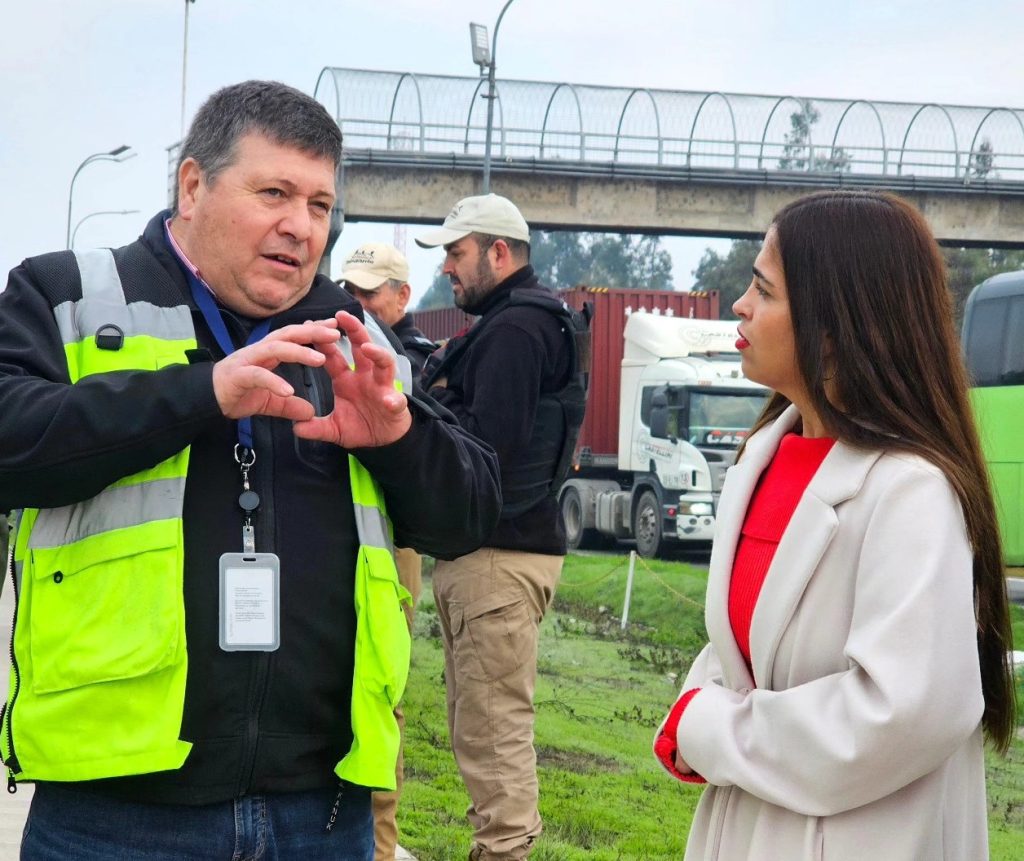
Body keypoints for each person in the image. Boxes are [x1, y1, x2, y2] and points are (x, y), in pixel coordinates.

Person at [0, 80, 501, 861]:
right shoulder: (68, 295)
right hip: (117, 818)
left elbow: (468, 515)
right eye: (274, 193)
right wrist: (203, 393)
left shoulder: (351, 332)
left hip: (322, 816)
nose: (301, 225)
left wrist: (398, 438)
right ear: (192, 186)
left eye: (320, 204)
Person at [653, 190, 1016, 861]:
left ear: (833, 325)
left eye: (764, 290)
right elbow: (744, 653)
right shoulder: (761, 462)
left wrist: (707, 728)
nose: (740, 305)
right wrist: (698, 705)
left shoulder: (911, 492)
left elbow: (902, 713)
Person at [416, 194, 588, 861]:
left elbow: (486, 448)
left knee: (492, 731)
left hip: (498, 555)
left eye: (456, 254)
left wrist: (428, 412)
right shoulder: (527, 321)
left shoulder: (515, 330)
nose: (447, 270)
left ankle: (504, 851)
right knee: (481, 727)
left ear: (498, 251)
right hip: (503, 551)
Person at [337, 242, 436, 861]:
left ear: (402, 296)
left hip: (390, 549)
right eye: (348, 289)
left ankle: (378, 841)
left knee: (378, 693)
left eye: (368, 292)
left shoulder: (416, 363)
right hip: (336, 539)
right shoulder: (328, 342)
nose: (355, 302)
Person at [339, 243, 437, 376]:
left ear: (402, 296)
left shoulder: (416, 360)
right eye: (349, 293)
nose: (357, 304)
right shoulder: (339, 344)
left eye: (368, 293)